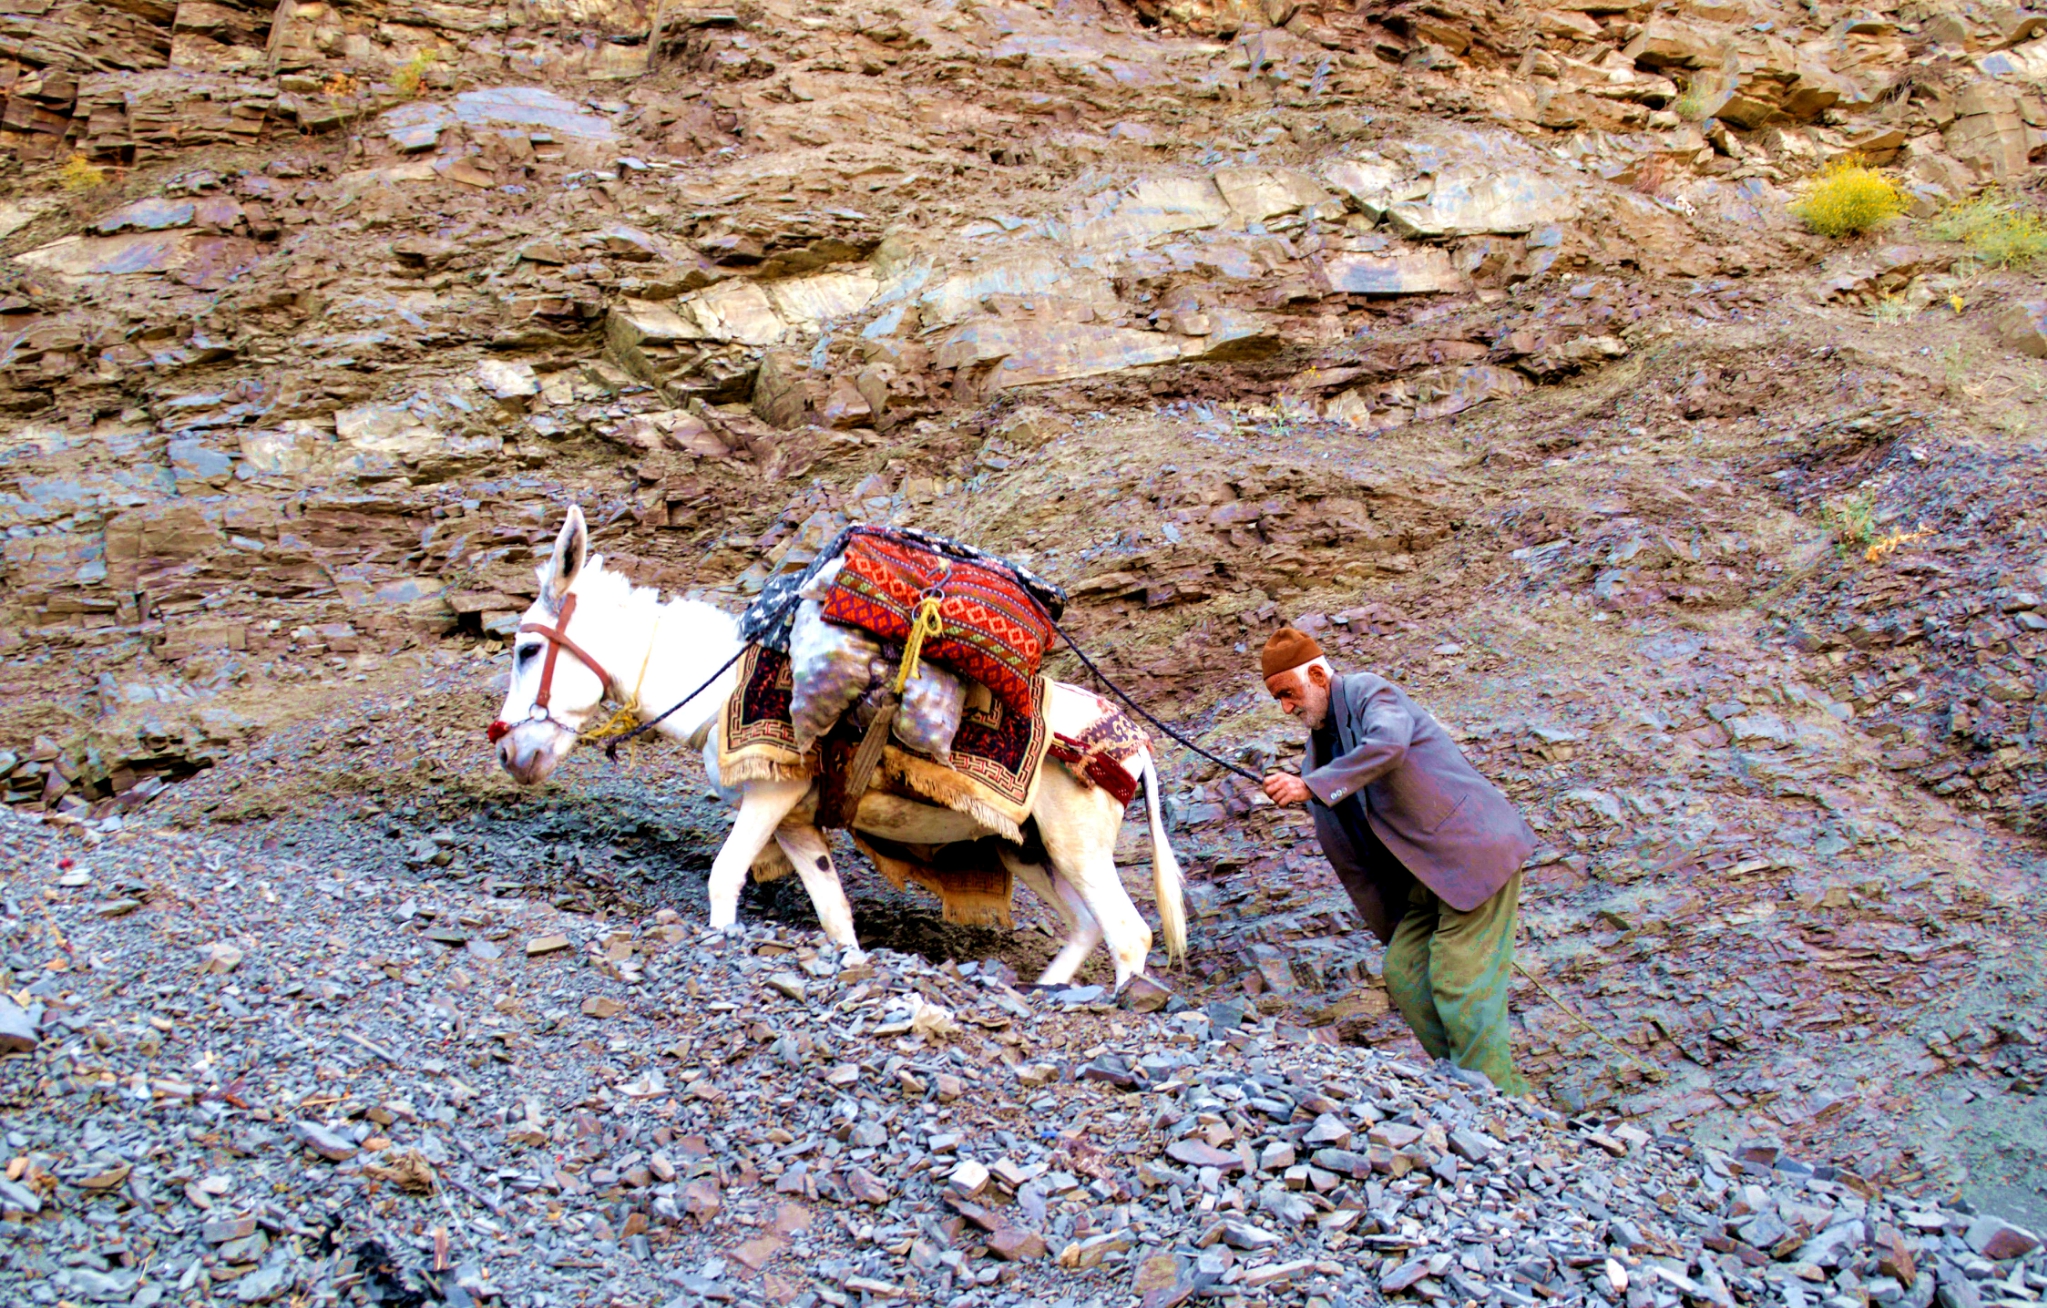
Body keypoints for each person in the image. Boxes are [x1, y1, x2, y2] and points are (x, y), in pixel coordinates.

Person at [1257, 625, 1536, 1096]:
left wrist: (1311, 787)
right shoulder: (1320, 744)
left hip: (1470, 858)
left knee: (1459, 982)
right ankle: (1471, 1086)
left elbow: (1388, 745)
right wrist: (1311, 792)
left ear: (1320, 676)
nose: (1287, 708)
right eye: (1279, 700)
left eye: (1289, 693)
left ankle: (1503, 1109)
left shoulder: (1369, 692)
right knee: (1404, 973)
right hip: (1425, 880)